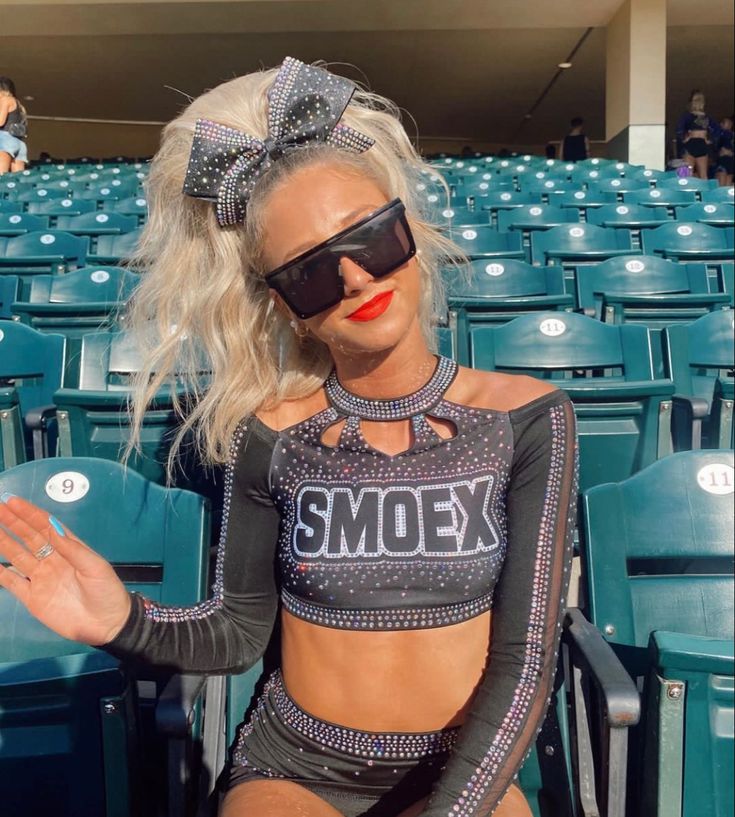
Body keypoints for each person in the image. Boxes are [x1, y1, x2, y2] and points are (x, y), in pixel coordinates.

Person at [0, 57, 577, 817]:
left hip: (461, 772)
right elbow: (239, 631)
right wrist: (121, 620)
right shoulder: (271, 432)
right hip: (293, 766)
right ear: (284, 307)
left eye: (370, 239)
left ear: (408, 229)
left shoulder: (529, 417)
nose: (355, 280)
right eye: (308, 274)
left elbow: (525, 656)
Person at [675, 90, 720, 180]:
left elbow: (717, 130)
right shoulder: (687, 116)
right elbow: (679, 129)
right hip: (691, 144)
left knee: (703, 175)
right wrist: (684, 138)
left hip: (701, 144)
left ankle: (703, 193)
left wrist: (710, 140)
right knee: (687, 175)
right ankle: (687, 192)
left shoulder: (707, 117)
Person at [0, 76, 28, 174]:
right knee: (18, 180)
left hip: (4, 140)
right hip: (19, 142)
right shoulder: (19, 104)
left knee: (1, 177)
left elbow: (0, 121)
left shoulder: (5, 100)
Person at [714, 115, 734, 187]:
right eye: (726, 123)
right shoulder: (719, 135)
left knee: (727, 188)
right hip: (722, 162)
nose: (729, 124)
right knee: (721, 186)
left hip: (731, 163)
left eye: (730, 123)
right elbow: (715, 148)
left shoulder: (731, 135)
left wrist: (731, 153)